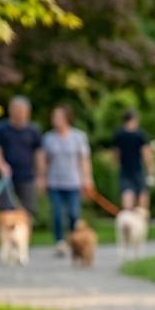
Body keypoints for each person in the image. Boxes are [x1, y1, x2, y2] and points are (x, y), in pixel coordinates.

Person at [36, 104, 94, 256]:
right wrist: (41, 178)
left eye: (59, 117)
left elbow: (84, 159)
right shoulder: (48, 138)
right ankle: (60, 242)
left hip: (74, 181)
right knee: (57, 214)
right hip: (54, 181)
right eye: (54, 117)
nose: (56, 120)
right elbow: (43, 159)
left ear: (67, 118)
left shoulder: (78, 136)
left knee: (74, 214)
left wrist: (87, 179)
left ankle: (76, 242)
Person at [0, 96, 42, 215]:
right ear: (11, 111)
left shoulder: (34, 130)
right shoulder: (1, 129)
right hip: (6, 176)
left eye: (23, 112)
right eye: (17, 111)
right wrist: (1, 165)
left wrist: (40, 175)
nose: (20, 114)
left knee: (28, 212)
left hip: (27, 176)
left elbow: (39, 153)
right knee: (6, 211)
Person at [112, 109, 154, 210]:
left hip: (124, 168)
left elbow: (116, 153)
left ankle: (127, 215)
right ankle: (142, 217)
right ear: (134, 119)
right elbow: (146, 152)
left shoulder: (119, 134)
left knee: (127, 192)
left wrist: (115, 164)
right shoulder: (140, 134)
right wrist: (151, 166)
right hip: (138, 168)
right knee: (142, 192)